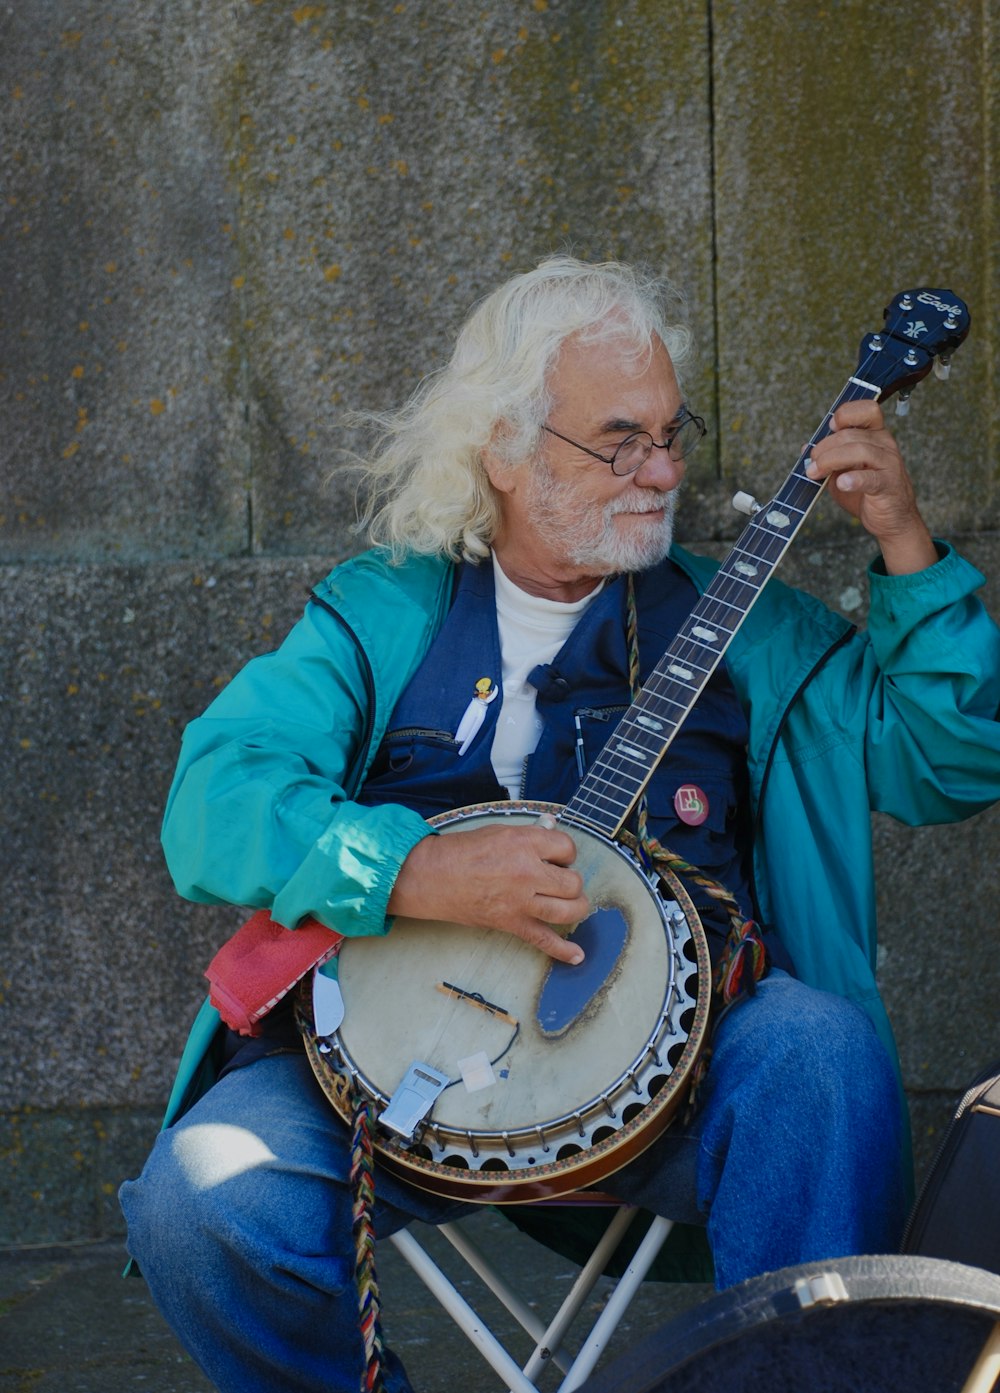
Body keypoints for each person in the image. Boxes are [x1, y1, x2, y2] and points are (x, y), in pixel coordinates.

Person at [121, 256, 1000, 1393]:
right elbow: (215, 802)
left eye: (673, 435)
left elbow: (953, 762)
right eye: (616, 439)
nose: (661, 470)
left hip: (680, 1081)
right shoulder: (381, 611)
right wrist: (417, 870)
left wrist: (903, 544)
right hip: (390, 1077)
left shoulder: (752, 633)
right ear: (502, 445)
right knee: (206, 1194)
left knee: (820, 1052)